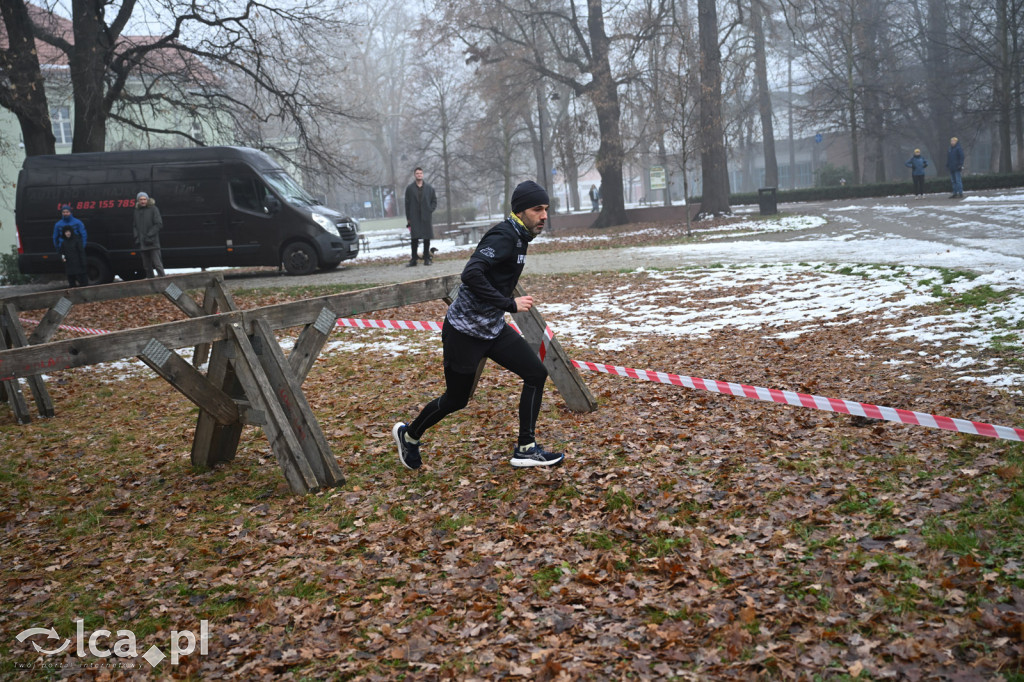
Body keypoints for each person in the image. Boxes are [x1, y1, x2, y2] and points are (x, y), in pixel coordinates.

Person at [392, 180, 564, 470]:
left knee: (536, 373)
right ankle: (409, 435)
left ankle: (526, 448)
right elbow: (471, 274)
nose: (544, 215)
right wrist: (509, 304)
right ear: (520, 211)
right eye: (538, 209)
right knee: (456, 399)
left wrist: (501, 307)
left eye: (546, 209)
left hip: (493, 329)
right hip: (464, 333)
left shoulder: (521, 236)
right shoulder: (503, 236)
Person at [404, 167, 437, 266]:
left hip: (426, 217)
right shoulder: (410, 189)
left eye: (420, 173)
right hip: (414, 217)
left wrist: (430, 210)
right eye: (417, 173)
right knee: (414, 239)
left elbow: (434, 201)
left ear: (423, 175)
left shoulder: (429, 188)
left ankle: (426, 258)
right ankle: (414, 259)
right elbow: (407, 203)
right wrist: (408, 218)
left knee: (426, 238)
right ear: (415, 175)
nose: (419, 175)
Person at [133, 191, 165, 277]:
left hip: (153, 243)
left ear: (147, 199)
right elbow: (135, 226)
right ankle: (153, 289)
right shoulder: (136, 211)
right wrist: (137, 237)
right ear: (138, 201)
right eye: (141, 199)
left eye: (144, 199)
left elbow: (158, 224)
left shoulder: (154, 209)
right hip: (143, 244)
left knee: (158, 266)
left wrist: (149, 235)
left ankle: (170, 290)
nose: (143, 201)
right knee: (147, 267)